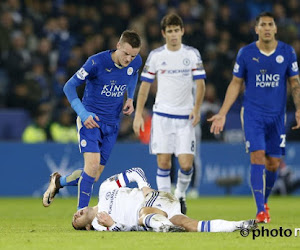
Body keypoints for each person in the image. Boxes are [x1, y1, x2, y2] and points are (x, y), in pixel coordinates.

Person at [208, 12, 300, 223]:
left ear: (275, 28)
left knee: (274, 163)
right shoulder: (246, 53)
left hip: (277, 117)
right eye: (263, 25)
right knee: (257, 156)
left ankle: (264, 200)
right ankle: (260, 210)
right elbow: (235, 83)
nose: (267, 28)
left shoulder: (287, 52)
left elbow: (295, 83)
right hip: (252, 114)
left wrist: (298, 109)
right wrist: (222, 113)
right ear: (256, 29)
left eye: (270, 24)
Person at [43, 30, 142, 210]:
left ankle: (59, 182)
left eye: (133, 55)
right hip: (91, 120)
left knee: (94, 175)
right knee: (92, 165)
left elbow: (133, 73)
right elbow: (69, 87)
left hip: (112, 123)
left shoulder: (136, 61)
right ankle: (81, 216)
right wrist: (83, 114)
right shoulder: (96, 62)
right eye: (126, 54)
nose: (129, 59)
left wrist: (130, 97)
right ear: (118, 46)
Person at [133, 13, 206, 214]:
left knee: (186, 164)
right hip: (162, 117)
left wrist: (197, 109)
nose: (173, 35)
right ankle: (167, 202)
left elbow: (201, 84)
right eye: (170, 31)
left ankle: (180, 194)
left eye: (177, 30)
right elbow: (145, 87)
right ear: (164, 33)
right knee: (163, 162)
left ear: (182, 31)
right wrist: (138, 114)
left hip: (185, 119)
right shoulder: (156, 56)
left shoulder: (192, 54)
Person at [71, 167, 257, 233]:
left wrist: (144, 187)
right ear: (86, 227)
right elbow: (126, 229)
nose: (76, 214)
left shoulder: (105, 188)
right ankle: (240, 225)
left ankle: (164, 227)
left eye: (74, 214)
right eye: (76, 220)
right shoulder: (100, 225)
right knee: (194, 226)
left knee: (143, 214)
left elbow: (136, 172)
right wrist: (112, 224)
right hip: (158, 214)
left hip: (155, 199)